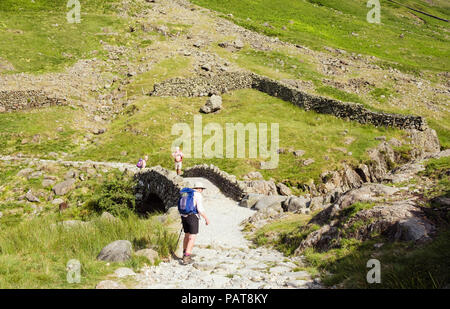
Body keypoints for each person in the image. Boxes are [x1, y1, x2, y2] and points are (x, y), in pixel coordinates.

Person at [178, 181, 210, 265]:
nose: (202, 191)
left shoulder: (186, 193)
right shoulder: (198, 195)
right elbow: (199, 209)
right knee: (192, 237)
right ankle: (187, 257)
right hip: (193, 216)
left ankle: (184, 253)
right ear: (199, 189)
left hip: (183, 216)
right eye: (202, 189)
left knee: (186, 235)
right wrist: (206, 218)